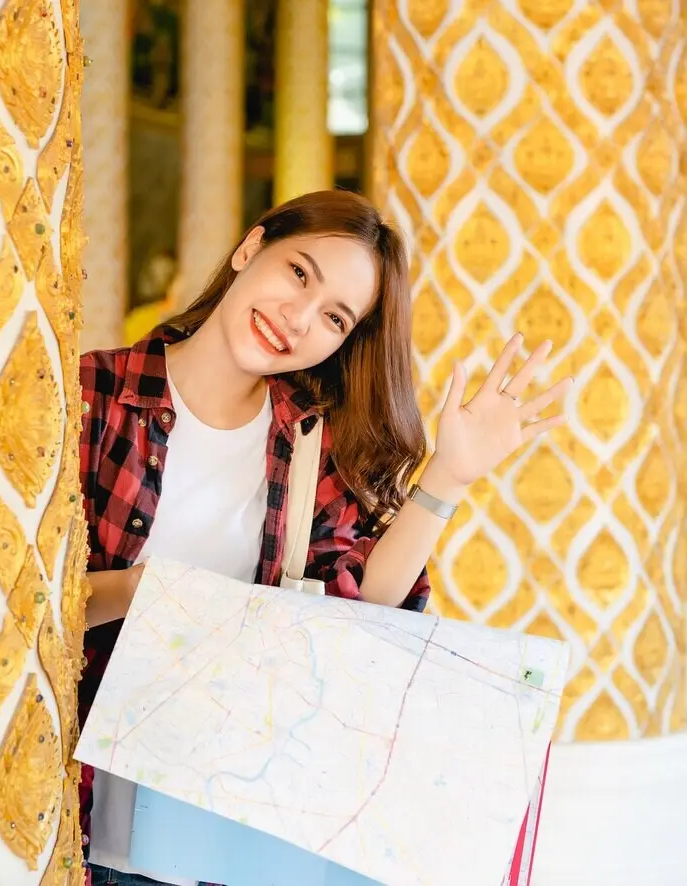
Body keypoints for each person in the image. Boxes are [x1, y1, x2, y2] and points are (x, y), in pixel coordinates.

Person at [76, 190, 573, 886]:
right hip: (75, 811)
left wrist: (450, 478)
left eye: (335, 317)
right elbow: (20, 605)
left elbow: (362, 606)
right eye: (299, 273)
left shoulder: (309, 441)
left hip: (220, 825)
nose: (298, 318)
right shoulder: (91, 395)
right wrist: (146, 595)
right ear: (250, 249)